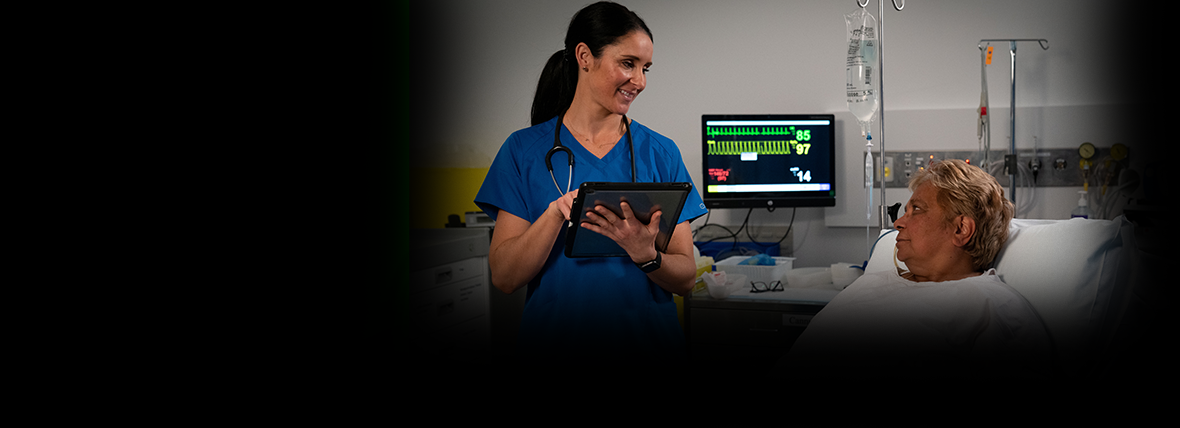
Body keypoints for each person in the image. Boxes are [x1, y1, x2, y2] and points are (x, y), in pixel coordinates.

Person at [474, 2, 707, 367]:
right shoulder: (523, 150)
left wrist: (646, 255)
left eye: (645, 68)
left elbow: (686, 278)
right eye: (628, 63)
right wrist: (554, 215)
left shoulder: (660, 152)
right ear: (585, 56)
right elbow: (504, 277)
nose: (640, 81)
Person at [780, 159, 1052, 379]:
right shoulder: (869, 285)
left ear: (960, 229)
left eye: (917, 210)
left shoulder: (994, 309)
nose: (898, 223)